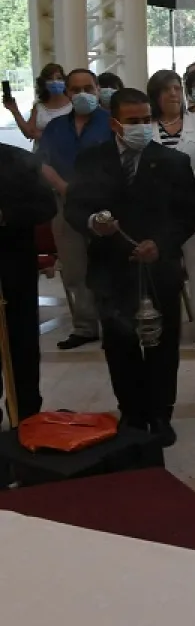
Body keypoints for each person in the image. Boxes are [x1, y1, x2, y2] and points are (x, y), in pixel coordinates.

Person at [66, 87, 195, 444]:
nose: (141, 126)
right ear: (115, 123)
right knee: (119, 343)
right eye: (133, 121)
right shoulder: (91, 160)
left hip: (159, 268)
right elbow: (75, 208)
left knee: (161, 343)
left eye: (146, 120)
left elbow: (188, 213)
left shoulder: (174, 161)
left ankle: (160, 414)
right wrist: (95, 222)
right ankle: (132, 412)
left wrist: (161, 243)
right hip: (111, 268)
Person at [36, 68, 113, 349]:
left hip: (105, 204)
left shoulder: (110, 122)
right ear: (68, 93)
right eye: (76, 89)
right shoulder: (56, 127)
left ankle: (113, 325)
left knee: (107, 265)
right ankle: (84, 326)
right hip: (66, 204)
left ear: (97, 90)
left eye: (88, 89)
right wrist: (64, 186)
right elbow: (41, 162)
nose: (82, 94)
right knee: (75, 269)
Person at [147, 69, 195, 350]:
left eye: (177, 88)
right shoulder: (148, 125)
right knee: (163, 271)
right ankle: (165, 321)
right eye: (167, 90)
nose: (174, 94)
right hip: (158, 211)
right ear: (156, 95)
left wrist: (184, 191)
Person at [0, 142, 55, 419]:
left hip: (14, 269)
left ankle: (26, 415)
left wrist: (6, 216)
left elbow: (46, 206)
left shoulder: (16, 159)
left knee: (21, 344)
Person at [5, 63, 70, 145]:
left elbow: (75, 134)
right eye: (50, 79)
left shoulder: (72, 105)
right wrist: (14, 110)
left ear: (65, 81)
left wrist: (42, 134)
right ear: (44, 83)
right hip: (40, 155)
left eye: (59, 78)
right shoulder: (39, 107)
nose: (55, 81)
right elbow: (29, 133)